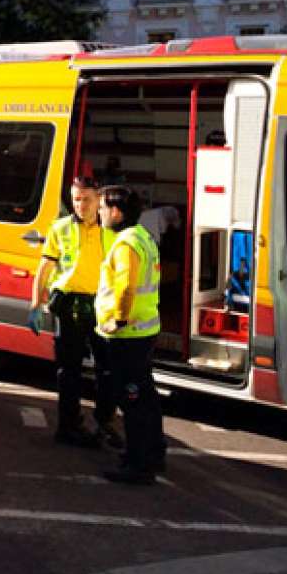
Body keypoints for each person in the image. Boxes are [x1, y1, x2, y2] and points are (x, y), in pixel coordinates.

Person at [29, 176, 120, 449]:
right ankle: (68, 425)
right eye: (76, 199)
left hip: (100, 305)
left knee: (107, 369)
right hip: (69, 305)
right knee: (69, 370)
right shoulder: (61, 228)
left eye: (87, 199)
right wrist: (34, 304)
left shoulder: (111, 231)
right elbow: (44, 268)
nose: (80, 205)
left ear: (98, 199)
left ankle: (105, 422)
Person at [95, 185, 166, 485]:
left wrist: (118, 321)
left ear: (116, 211)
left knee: (133, 399)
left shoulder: (126, 244)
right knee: (146, 397)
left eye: (101, 208)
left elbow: (126, 287)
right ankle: (152, 453)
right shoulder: (142, 237)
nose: (98, 213)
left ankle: (138, 465)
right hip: (145, 330)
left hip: (130, 335)